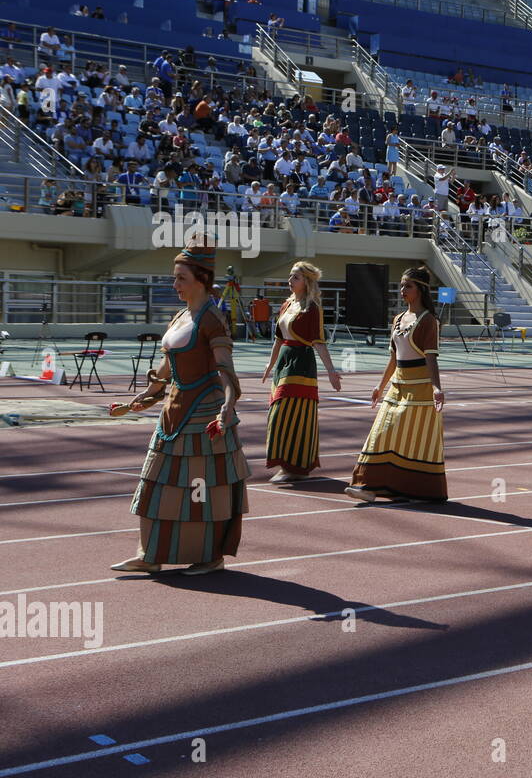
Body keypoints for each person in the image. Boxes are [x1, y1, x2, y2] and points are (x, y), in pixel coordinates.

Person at [109, 239, 249, 575]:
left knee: (200, 493)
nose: (175, 285)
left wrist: (227, 407)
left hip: (204, 418)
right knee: (154, 484)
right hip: (171, 414)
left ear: (200, 279)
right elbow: (165, 369)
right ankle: (149, 554)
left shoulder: (212, 318)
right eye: (174, 278)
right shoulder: (181, 315)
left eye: (180, 279)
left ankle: (209, 556)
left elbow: (225, 369)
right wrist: (137, 401)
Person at [345, 267, 447, 503]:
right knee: (381, 432)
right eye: (401, 286)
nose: (402, 291)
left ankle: (421, 490)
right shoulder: (398, 319)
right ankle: (366, 485)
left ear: (420, 289)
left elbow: (431, 357)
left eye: (407, 286)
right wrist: (379, 387)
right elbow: (393, 358)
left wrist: (436, 388)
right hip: (397, 386)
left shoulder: (429, 321)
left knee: (414, 439)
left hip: (420, 388)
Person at [261, 262, 342, 483]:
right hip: (283, 364)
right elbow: (278, 339)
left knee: (289, 414)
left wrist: (332, 372)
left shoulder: (312, 308)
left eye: (295, 277)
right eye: (290, 276)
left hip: (301, 364)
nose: (290, 280)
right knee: (276, 414)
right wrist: (270, 365)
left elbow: (319, 343)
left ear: (306, 282)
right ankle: (286, 464)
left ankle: (295, 466)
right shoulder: (287, 304)